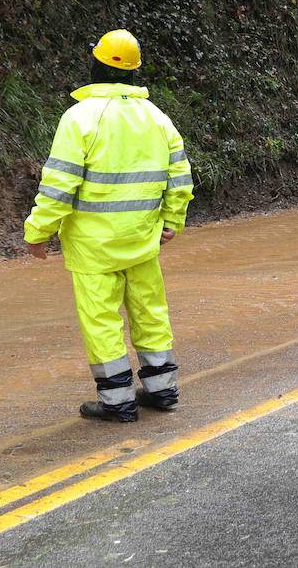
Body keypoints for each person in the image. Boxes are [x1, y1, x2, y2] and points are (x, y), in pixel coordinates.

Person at [23, 29, 194, 423]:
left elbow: (59, 184)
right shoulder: (157, 118)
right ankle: (162, 390)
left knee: (101, 321)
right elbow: (180, 176)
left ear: (95, 63)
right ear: (135, 71)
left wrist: (38, 232)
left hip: (93, 246)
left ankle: (118, 402)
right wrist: (173, 221)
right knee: (150, 311)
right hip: (143, 239)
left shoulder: (80, 118)